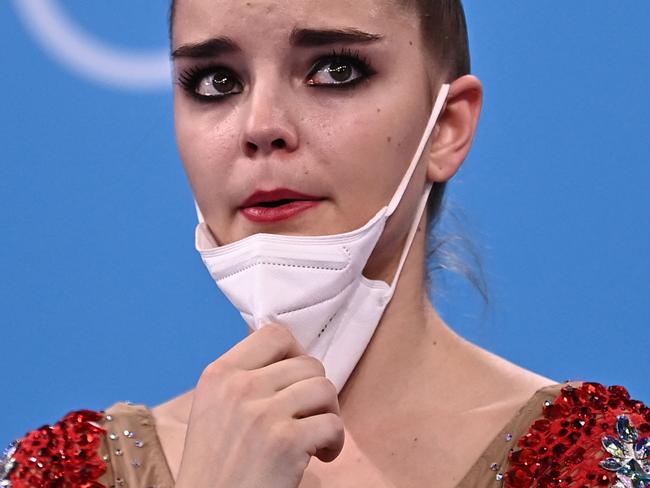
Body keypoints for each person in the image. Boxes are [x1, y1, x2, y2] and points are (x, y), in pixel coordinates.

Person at [2, 1, 648, 487]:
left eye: (335, 70)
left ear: (447, 128)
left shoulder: (600, 462)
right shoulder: (59, 472)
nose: (260, 127)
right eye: (215, 82)